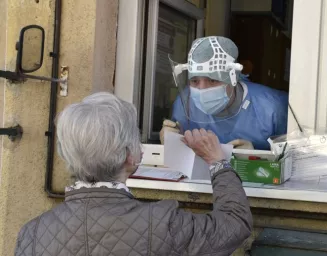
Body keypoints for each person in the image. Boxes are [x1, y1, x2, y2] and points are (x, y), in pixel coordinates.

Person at [15, 92, 252, 256]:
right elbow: (234, 225)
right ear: (130, 155)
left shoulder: (32, 234)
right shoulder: (162, 224)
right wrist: (217, 162)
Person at [160, 36, 288, 150]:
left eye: (212, 80)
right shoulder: (185, 103)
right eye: (194, 81)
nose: (202, 89)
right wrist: (170, 139)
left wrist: (258, 157)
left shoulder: (272, 107)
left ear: (233, 79)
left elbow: (292, 159)